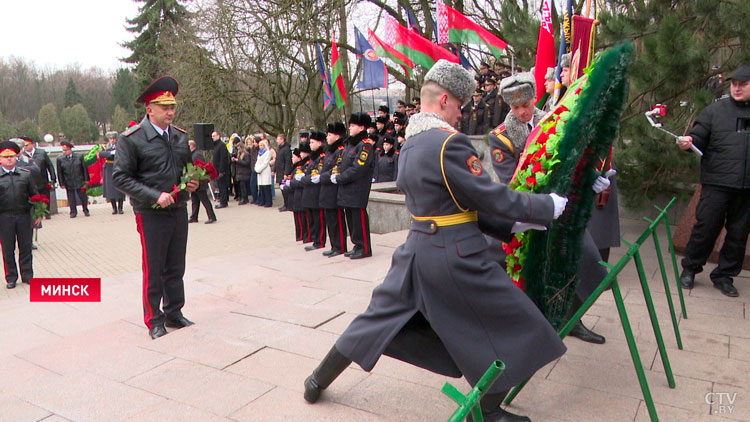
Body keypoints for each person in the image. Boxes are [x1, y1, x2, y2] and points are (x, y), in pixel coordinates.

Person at [304, 60, 569, 422]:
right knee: (524, 324)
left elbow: (450, 204)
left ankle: (316, 379)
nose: (461, 115)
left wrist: (513, 227)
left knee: (374, 320)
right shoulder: (448, 144)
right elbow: (489, 196)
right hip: (454, 255)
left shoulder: (412, 143)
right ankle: (488, 411)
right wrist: (545, 207)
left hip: (416, 251)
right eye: (459, 106)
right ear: (444, 100)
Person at [112, 75, 200, 339]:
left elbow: (185, 170)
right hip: (151, 212)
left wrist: (192, 184)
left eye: (172, 107)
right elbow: (120, 177)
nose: (170, 112)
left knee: (176, 266)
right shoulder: (132, 139)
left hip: (177, 209)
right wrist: (154, 195)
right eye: (164, 107)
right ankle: (154, 319)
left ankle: (174, 312)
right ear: (149, 109)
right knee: (154, 268)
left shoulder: (180, 137)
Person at [676, 64, 750, 297]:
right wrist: (689, 142)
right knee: (705, 228)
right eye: (734, 84)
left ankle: (724, 275)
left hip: (747, 188)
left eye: (743, 85)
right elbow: (698, 137)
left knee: (738, 235)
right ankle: (690, 269)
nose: (737, 88)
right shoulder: (714, 111)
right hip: (717, 182)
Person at [332, 112, 375, 260]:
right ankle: (356, 244)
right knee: (350, 217)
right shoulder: (350, 144)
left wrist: (341, 177)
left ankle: (364, 248)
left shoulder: (365, 145)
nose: (350, 128)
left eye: (353, 125)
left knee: (358, 217)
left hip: (357, 187)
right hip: (346, 187)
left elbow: (359, 167)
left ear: (362, 127)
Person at [0, 140, 42, 289]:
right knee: (7, 248)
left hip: (24, 215)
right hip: (4, 218)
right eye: (6, 157)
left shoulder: (25, 175)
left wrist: (38, 213)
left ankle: (27, 275)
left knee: (25, 247)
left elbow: (35, 195)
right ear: (0, 159)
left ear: (16, 157)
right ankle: (11, 277)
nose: (9, 159)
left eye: (11, 156)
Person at [318, 122, 348, 257]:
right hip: (326, 189)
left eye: (329, 135)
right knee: (330, 220)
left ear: (337, 136)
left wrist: (322, 177)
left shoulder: (340, 150)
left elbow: (336, 168)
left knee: (337, 219)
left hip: (334, 189)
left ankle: (340, 245)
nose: (327, 138)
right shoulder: (329, 150)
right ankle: (334, 245)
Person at [299, 131, 327, 250]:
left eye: (312, 142)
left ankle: (320, 241)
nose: (310, 144)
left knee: (318, 218)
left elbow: (316, 173)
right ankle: (315, 240)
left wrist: (304, 178)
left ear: (319, 143)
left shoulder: (321, 157)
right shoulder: (313, 157)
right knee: (312, 219)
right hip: (309, 192)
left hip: (317, 192)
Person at [21, 136, 56, 219]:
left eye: (27, 145)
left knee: (45, 196)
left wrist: (53, 177)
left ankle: (47, 212)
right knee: (34, 198)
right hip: (31, 181)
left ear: (32, 144)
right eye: (24, 146)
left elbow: (49, 165)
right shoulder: (23, 156)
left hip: (42, 179)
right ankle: (36, 214)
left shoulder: (41, 153)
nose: (25, 147)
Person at [56, 141, 90, 218]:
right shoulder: (60, 159)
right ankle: (73, 211)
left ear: (70, 150)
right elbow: (59, 172)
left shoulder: (79, 157)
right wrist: (61, 183)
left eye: (66, 150)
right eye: (63, 150)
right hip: (68, 180)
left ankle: (85, 210)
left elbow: (84, 169)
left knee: (83, 196)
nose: (64, 152)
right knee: (71, 197)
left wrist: (86, 179)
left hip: (79, 180)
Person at [187, 140, 217, 224]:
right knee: (194, 200)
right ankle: (194, 216)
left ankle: (212, 216)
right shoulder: (193, 154)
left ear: (192, 146)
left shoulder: (197, 154)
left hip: (199, 181)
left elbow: (199, 167)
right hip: (195, 180)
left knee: (204, 200)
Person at [98, 131, 126, 214]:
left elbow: (122, 153)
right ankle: (114, 208)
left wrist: (113, 153)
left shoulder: (119, 145)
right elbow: (101, 154)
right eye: (111, 139)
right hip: (109, 168)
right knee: (110, 189)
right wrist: (110, 153)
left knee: (120, 188)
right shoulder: (105, 146)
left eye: (114, 138)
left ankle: (120, 208)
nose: (112, 140)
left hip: (118, 166)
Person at [212, 131, 230, 208]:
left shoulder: (222, 146)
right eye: (212, 136)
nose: (212, 137)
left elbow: (223, 159)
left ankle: (223, 202)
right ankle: (223, 200)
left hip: (221, 170)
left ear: (218, 136)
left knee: (222, 186)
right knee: (220, 186)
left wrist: (222, 171)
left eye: (214, 136)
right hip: (217, 169)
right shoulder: (216, 146)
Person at [275, 133, 293, 211]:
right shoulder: (280, 149)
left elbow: (288, 162)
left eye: (278, 139)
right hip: (279, 171)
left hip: (284, 172)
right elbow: (277, 161)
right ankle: (285, 204)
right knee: (282, 189)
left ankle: (288, 205)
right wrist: (274, 170)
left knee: (285, 190)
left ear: (282, 139)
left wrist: (286, 173)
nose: (277, 141)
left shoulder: (286, 149)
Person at [254, 139, 273, 207]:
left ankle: (268, 202)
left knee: (266, 187)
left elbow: (266, 163)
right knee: (261, 187)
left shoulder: (267, 152)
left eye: (261, 145)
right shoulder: (259, 153)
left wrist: (259, 169)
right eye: (259, 145)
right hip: (260, 171)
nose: (260, 146)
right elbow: (257, 161)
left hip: (265, 171)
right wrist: (256, 168)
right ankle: (262, 200)